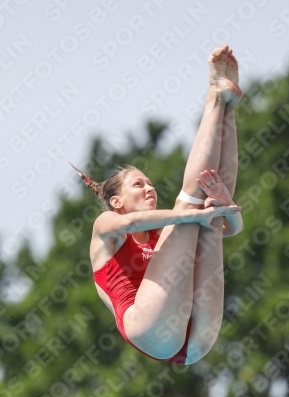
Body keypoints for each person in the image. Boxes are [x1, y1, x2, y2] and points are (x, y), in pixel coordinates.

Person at [70, 45, 244, 365]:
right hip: (152, 329)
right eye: (139, 184)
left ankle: (227, 105)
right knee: (193, 207)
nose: (149, 188)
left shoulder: (165, 227)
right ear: (116, 201)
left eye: (150, 183)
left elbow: (227, 224)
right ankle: (213, 95)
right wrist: (213, 212)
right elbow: (132, 224)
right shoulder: (106, 226)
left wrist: (223, 204)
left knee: (208, 203)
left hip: (191, 336)